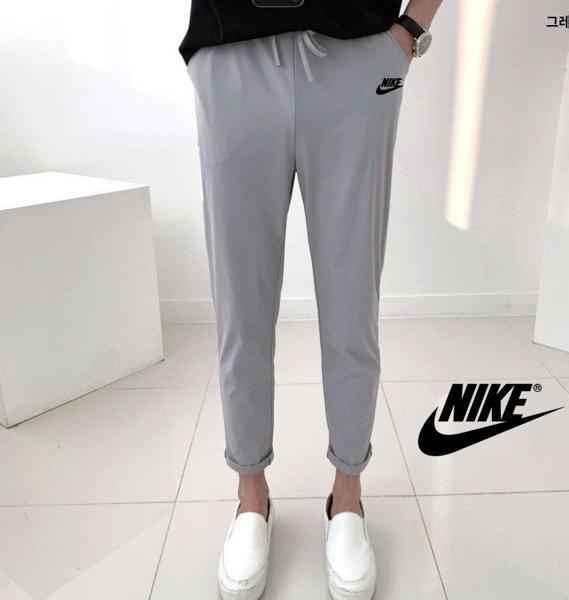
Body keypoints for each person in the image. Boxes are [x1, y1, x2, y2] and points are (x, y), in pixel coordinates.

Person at [180, 1, 442, 598]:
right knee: (241, 307)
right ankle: (251, 495)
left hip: (358, 53)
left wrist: (411, 29)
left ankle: (347, 495)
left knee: (352, 302)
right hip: (231, 50)